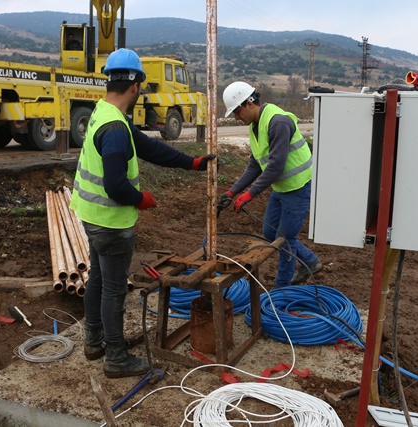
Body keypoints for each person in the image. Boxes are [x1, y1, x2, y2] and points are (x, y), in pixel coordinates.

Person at [69, 48, 215, 379]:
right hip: (110, 223)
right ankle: (116, 358)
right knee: (113, 288)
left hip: (91, 216)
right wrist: (141, 199)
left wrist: (189, 162)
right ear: (135, 85)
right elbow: (116, 186)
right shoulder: (116, 128)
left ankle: (95, 343)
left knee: (99, 280)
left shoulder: (104, 112)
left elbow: (148, 146)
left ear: (112, 81)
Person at [217, 81, 322, 288]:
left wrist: (249, 194)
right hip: (281, 188)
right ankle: (310, 261)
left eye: (237, 112)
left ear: (249, 103)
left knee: (284, 239)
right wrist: (232, 191)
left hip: (297, 187)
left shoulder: (277, 122)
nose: (237, 118)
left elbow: (275, 167)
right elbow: (256, 163)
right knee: (269, 232)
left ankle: (281, 290)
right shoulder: (256, 125)